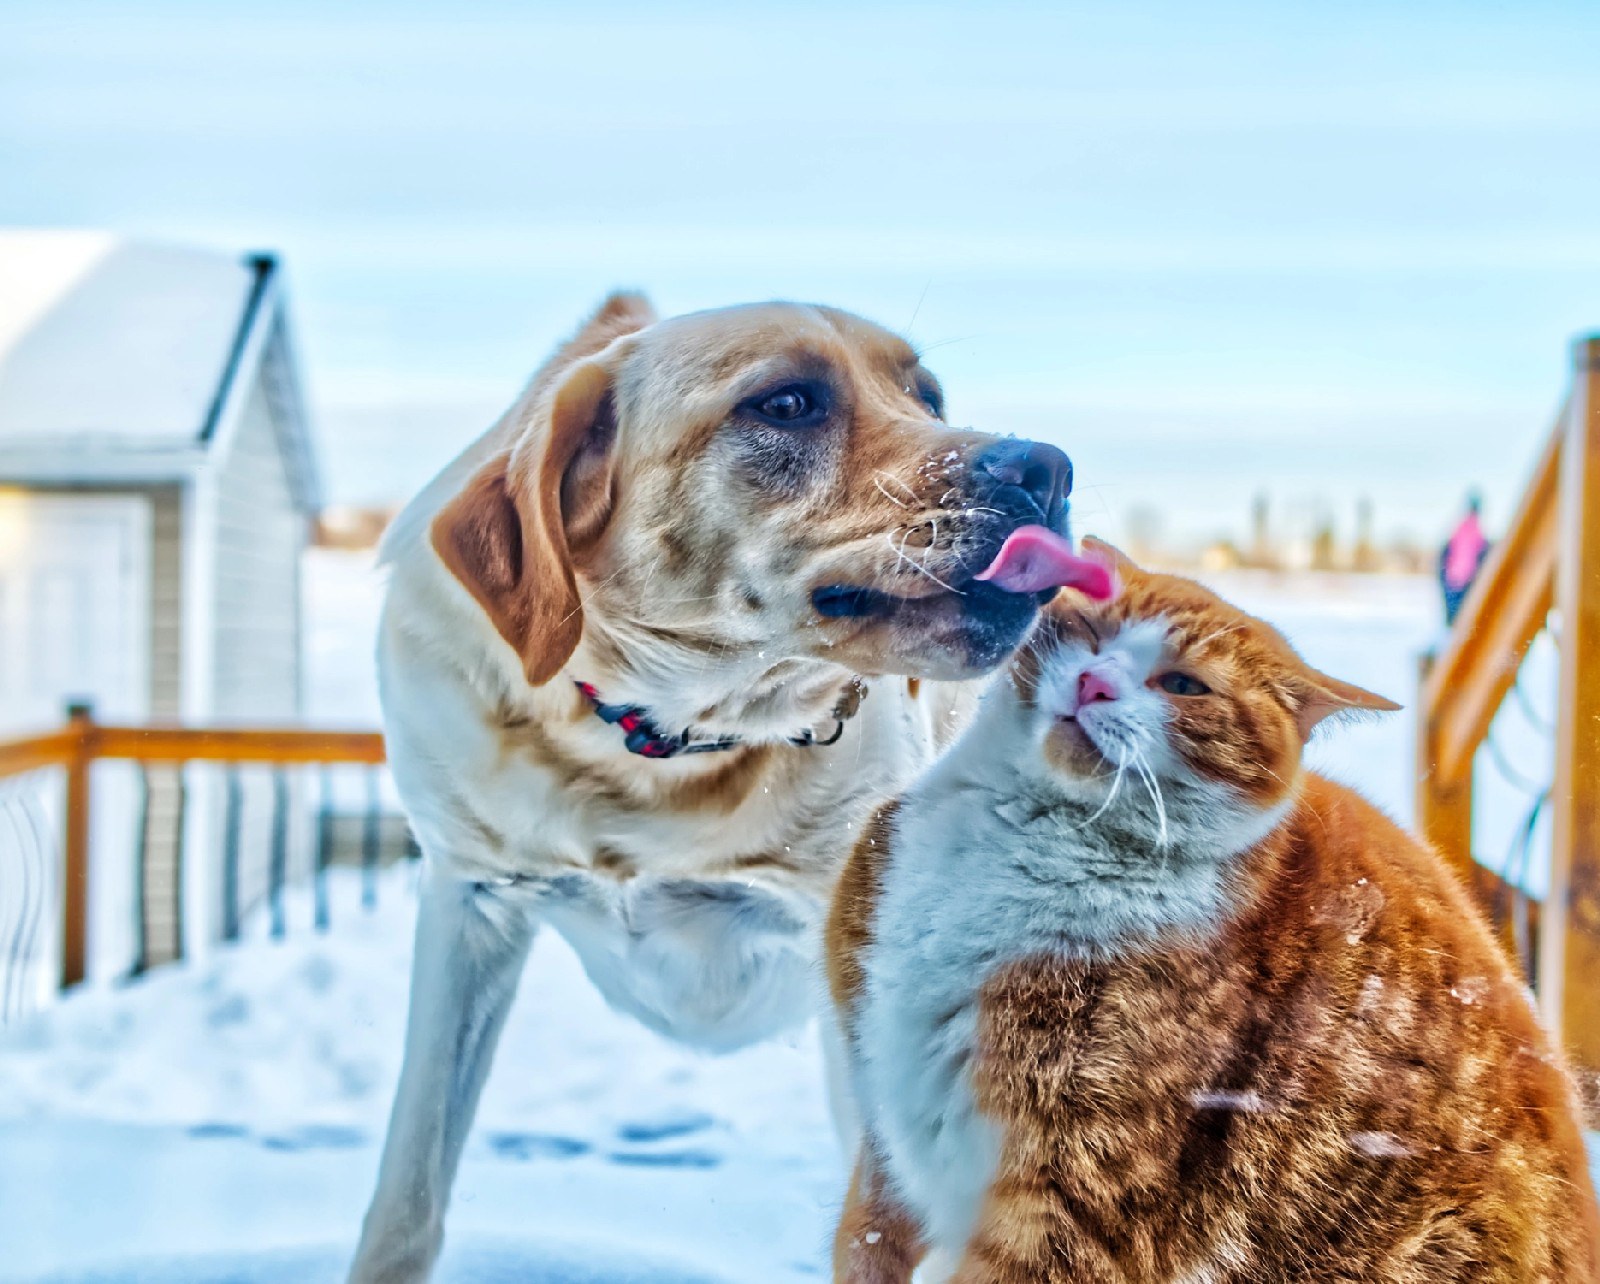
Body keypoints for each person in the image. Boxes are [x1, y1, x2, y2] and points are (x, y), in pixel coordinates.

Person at [1439, 491, 1490, 625]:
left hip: (1457, 579)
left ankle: (1453, 634)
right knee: (1458, 616)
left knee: (1456, 616)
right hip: (1461, 580)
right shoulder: (1471, 527)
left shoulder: (1463, 526)